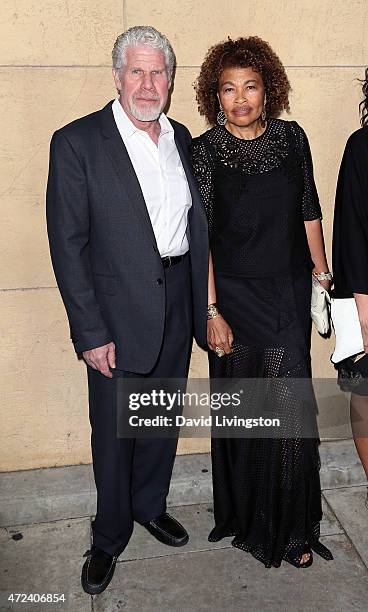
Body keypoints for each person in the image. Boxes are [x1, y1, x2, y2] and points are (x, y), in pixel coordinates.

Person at [46, 26, 208, 595]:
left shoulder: (182, 137)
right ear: (117, 77)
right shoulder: (76, 143)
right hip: (114, 316)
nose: (147, 83)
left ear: (170, 79)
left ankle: (149, 506)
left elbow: (195, 226)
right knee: (114, 434)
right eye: (136, 72)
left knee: (160, 421)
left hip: (177, 302)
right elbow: (68, 245)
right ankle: (108, 535)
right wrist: (89, 330)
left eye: (157, 72)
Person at [191, 36, 333, 568]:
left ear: (268, 88)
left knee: (291, 405)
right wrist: (210, 310)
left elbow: (308, 209)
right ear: (215, 96)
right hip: (230, 295)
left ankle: (291, 529)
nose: (240, 98)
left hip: (286, 291)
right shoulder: (204, 152)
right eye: (228, 89)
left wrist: (322, 274)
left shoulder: (292, 138)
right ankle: (243, 516)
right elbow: (201, 237)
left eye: (250, 86)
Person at [332, 68, 368, 509]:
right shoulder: (361, 147)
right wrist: (362, 311)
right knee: (366, 392)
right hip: (364, 296)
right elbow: (351, 235)